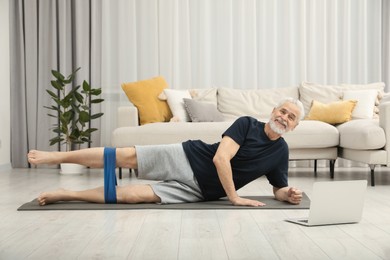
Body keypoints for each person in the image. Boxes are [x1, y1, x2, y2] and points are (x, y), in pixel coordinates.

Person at [27, 97, 305, 207]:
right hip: (189, 157)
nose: (284, 117)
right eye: (282, 111)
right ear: (272, 111)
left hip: (201, 191)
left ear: (293, 127)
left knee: (131, 196)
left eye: (291, 117)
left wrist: (288, 193)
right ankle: (56, 156)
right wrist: (234, 197)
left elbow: (277, 188)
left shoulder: (280, 152)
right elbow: (221, 158)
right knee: (123, 156)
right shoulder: (246, 124)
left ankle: (66, 194)